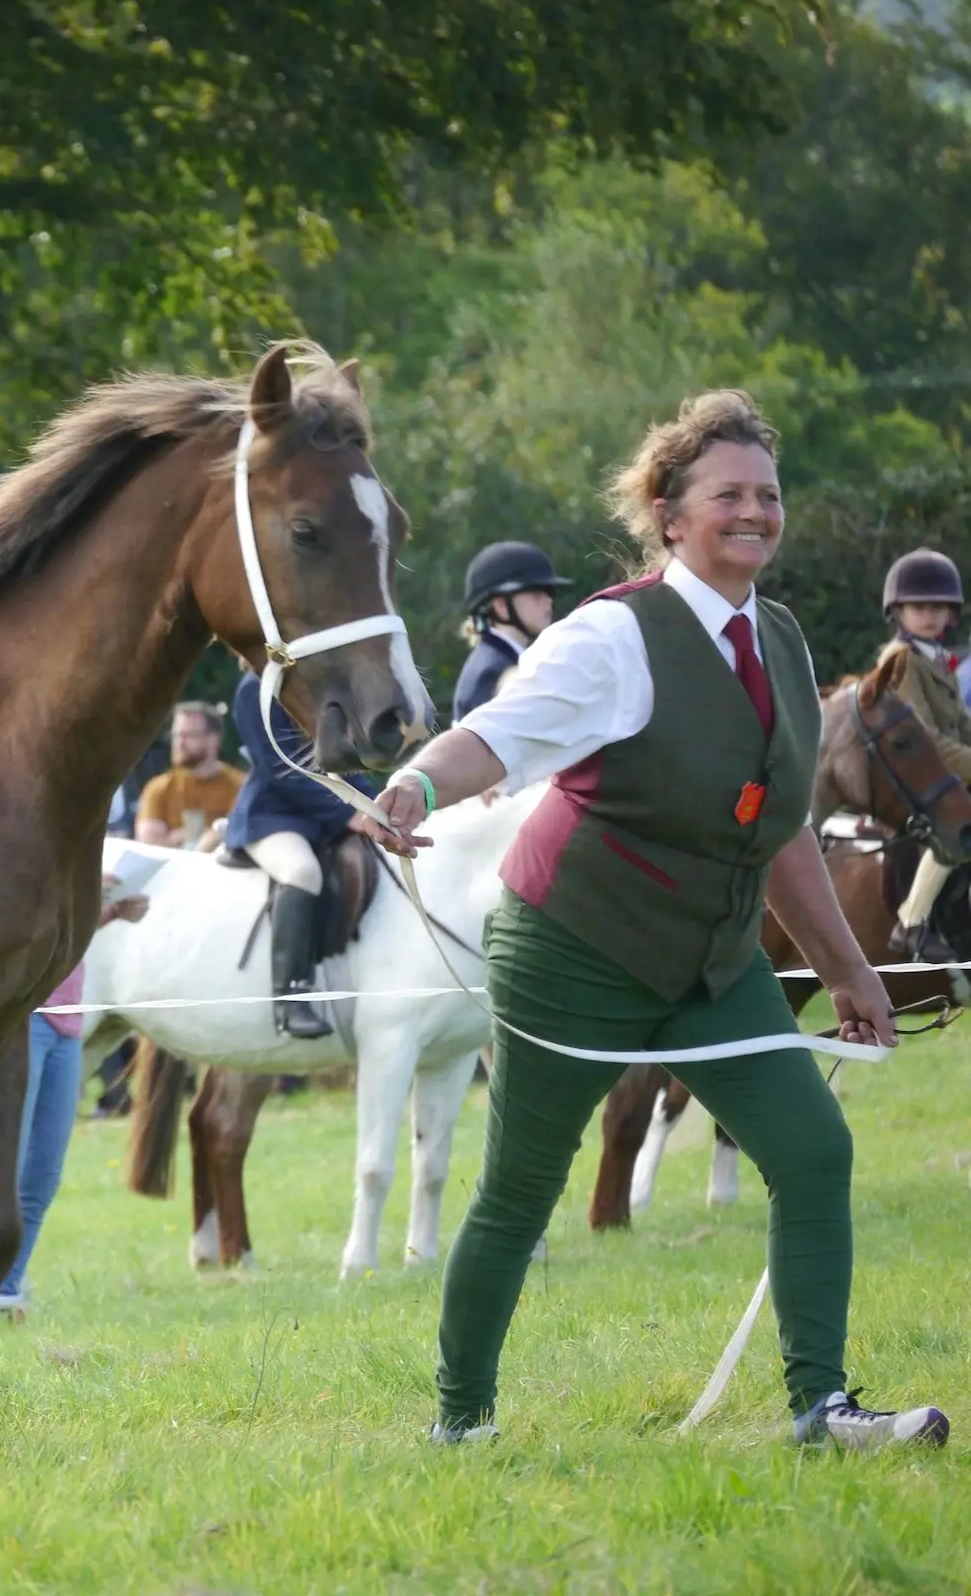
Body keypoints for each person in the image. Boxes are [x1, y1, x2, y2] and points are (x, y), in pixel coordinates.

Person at [357, 389, 947, 1452]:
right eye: (730, 495)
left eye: (768, 495)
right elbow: (494, 737)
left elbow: (783, 832)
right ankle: (460, 1424)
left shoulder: (782, 636)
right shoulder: (609, 638)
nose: (756, 513)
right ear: (670, 515)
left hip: (713, 965)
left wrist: (850, 971)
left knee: (813, 1149)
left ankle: (823, 1408)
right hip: (572, 953)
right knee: (521, 1191)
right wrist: (415, 788)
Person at [0, 875, 150, 1321]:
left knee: (42, 1175)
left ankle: (3, 1289)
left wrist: (111, 912)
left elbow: (60, 938)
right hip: (20, 1020)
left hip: (67, 1024)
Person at [221, 667, 377, 1039]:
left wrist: (373, 805)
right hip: (274, 817)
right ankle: (290, 1000)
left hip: (325, 814)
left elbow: (344, 757)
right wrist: (346, 811)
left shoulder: (321, 681)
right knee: (302, 872)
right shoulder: (255, 689)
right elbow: (280, 769)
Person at [874, 548, 971, 961]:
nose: (929, 616)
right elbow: (925, 735)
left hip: (946, 771)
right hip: (913, 773)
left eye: (938, 608)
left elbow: (961, 722)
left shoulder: (938, 659)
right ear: (898, 611)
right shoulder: (903, 660)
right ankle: (911, 921)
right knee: (955, 824)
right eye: (919, 607)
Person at [453, 542, 571, 722]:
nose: (549, 601)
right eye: (536, 593)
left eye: (550, 592)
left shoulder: (509, 660)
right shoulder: (491, 674)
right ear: (501, 605)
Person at [135, 702, 245, 847]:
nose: (180, 743)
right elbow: (148, 845)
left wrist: (177, 838)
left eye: (188, 735)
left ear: (213, 739)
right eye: (176, 735)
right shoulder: (159, 788)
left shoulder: (241, 787)